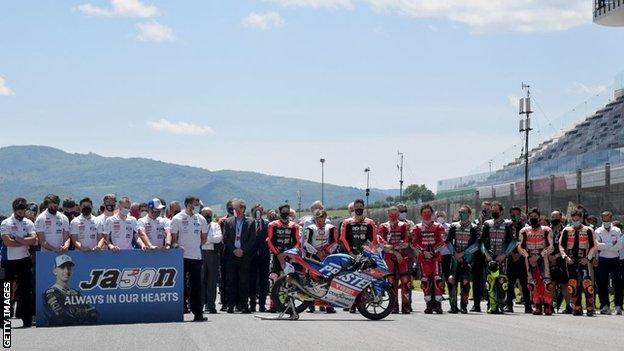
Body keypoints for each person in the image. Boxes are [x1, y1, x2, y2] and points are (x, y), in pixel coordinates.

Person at [170, 196, 208, 322]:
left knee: (196, 285)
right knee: (181, 285)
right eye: (194, 204)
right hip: (181, 256)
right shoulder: (177, 218)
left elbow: (204, 238)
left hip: (196, 256)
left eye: (198, 204)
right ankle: (179, 309)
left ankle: (198, 313)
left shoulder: (200, 218)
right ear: (187, 204)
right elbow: (174, 238)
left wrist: (196, 247)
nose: (196, 206)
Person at [0, 198, 38, 327]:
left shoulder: (28, 223)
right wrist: (23, 240)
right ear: (14, 209)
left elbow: (33, 240)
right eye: (19, 208)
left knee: (25, 290)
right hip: (8, 261)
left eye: (23, 208)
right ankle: (4, 319)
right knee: (6, 290)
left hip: (24, 260)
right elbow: (7, 242)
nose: (22, 211)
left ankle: (26, 318)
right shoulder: (6, 223)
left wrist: (16, 238)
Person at [559, 209, 598, 316]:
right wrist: (565, 257)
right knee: (573, 284)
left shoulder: (588, 230)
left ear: (581, 218)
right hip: (571, 261)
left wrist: (588, 258)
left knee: (587, 282)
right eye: (574, 219)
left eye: (577, 218)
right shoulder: (566, 230)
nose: (575, 220)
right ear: (571, 218)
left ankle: (590, 307)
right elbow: (561, 245)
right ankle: (577, 307)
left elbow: (593, 246)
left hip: (583, 260)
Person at [42, 254, 98, 326]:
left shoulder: (75, 293)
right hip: (57, 333)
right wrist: (82, 313)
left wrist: (76, 313)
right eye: (62, 267)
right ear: (55, 271)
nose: (66, 271)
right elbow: (61, 316)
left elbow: (94, 314)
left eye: (69, 267)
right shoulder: (50, 293)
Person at [517, 208, 554, 315]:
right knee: (533, 283)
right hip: (529, 259)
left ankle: (548, 306)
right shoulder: (524, 231)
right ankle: (537, 305)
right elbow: (520, 247)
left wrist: (540, 256)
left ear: (539, 217)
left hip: (543, 259)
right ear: (529, 218)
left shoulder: (547, 230)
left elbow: (551, 246)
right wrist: (528, 256)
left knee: (546, 282)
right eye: (531, 217)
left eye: (535, 216)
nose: (533, 219)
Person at [481, 201, 515, 314]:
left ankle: (501, 304)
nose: (494, 212)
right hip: (490, 258)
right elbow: (481, 242)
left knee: (502, 282)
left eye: (496, 211)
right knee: (489, 282)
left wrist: (504, 254)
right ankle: (491, 305)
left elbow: (514, 242)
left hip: (503, 258)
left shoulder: (508, 224)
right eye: (492, 211)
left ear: (501, 212)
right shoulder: (487, 224)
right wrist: (487, 255)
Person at [301, 209, 338, 313]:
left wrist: (326, 251)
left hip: (327, 257)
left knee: (328, 280)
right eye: (318, 219)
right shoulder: (310, 228)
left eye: (322, 219)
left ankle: (328, 304)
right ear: (315, 219)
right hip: (313, 257)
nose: (320, 221)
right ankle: (311, 304)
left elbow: (335, 242)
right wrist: (317, 252)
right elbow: (306, 244)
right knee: (312, 281)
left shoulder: (331, 228)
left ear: (325, 218)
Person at [411, 204, 446, 314]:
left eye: (429, 212)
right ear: (421, 214)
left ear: (432, 213)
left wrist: (433, 251)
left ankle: (438, 305)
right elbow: (413, 242)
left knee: (437, 280)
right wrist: (423, 252)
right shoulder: (416, 227)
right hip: (423, 258)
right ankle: (429, 305)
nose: (427, 214)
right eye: (424, 212)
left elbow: (442, 241)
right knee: (425, 281)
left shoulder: (438, 226)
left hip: (436, 258)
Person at [222, 199, 255, 314]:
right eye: (233, 209)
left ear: (242, 209)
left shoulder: (251, 222)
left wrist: (243, 250)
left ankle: (244, 305)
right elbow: (225, 238)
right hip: (231, 255)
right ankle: (230, 306)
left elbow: (252, 239)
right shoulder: (228, 221)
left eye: (236, 209)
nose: (234, 211)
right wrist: (234, 250)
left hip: (245, 256)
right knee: (231, 281)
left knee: (244, 281)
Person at [267, 203, 301, 312]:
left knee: (289, 280)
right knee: (274, 279)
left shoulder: (294, 226)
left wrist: (288, 254)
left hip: (289, 255)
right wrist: (278, 254)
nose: (286, 213)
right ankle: (273, 304)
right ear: (279, 211)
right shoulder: (273, 225)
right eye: (284, 211)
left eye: (288, 211)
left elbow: (297, 242)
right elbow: (270, 241)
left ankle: (287, 304)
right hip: (276, 255)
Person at [446, 205, 480, 314]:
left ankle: (464, 306)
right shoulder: (453, 226)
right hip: (455, 258)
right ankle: (453, 306)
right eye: (460, 212)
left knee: (465, 281)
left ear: (469, 214)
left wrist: (464, 254)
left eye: (464, 212)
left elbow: (477, 244)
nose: (462, 214)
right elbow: (448, 241)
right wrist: (455, 254)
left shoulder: (474, 227)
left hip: (467, 259)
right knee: (451, 280)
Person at [378, 206, 410, 314]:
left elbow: (406, 242)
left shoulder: (404, 225)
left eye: (396, 214)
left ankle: (406, 305)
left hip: (402, 257)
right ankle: (394, 305)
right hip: (389, 257)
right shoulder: (383, 226)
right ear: (388, 214)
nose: (394, 216)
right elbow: (382, 245)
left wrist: (392, 247)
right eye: (391, 214)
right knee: (392, 281)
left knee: (405, 280)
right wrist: (395, 251)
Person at [595, 211, 622, 315]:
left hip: (615, 259)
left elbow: (619, 245)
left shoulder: (617, 230)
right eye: (604, 218)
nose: (606, 220)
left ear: (611, 218)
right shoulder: (598, 231)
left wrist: (605, 245)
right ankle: (604, 305)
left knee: (617, 283)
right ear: (601, 219)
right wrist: (611, 244)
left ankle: (618, 306)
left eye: (608, 218)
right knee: (602, 283)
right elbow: (597, 246)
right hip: (602, 259)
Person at [506, 206, 532, 313]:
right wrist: (512, 253)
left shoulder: (526, 227)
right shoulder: (507, 226)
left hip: (522, 258)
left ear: (520, 214)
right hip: (511, 257)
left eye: (517, 214)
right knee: (510, 283)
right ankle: (508, 305)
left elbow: (528, 243)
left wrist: (520, 254)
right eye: (513, 215)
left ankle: (528, 306)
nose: (515, 217)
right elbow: (505, 241)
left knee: (524, 282)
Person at [200, 206, 223, 314]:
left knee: (212, 281)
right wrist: (210, 239)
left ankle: (211, 304)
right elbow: (196, 239)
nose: (208, 216)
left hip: (212, 254)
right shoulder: (197, 224)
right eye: (206, 214)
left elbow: (218, 238)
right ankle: (201, 304)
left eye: (210, 214)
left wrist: (206, 239)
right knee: (201, 280)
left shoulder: (215, 225)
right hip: (200, 253)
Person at [248, 204, 270, 312]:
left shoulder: (267, 223)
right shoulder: (249, 223)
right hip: (251, 256)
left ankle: (262, 304)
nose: (258, 212)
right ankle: (252, 304)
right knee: (251, 280)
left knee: (263, 281)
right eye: (256, 210)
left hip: (264, 255)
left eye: (260, 210)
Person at [548, 210, 570, 313]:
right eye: (552, 217)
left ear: (561, 218)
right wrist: (549, 256)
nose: (554, 220)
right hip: (548, 259)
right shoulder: (547, 230)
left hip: (561, 259)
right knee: (551, 283)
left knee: (565, 284)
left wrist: (556, 256)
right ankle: (550, 305)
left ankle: (569, 306)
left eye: (556, 217)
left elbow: (567, 246)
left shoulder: (565, 230)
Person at [218, 200, 234, 311]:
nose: (232, 209)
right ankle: (224, 303)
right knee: (224, 279)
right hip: (225, 252)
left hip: (238, 253)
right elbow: (220, 238)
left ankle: (235, 302)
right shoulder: (222, 221)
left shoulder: (242, 220)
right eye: (230, 207)